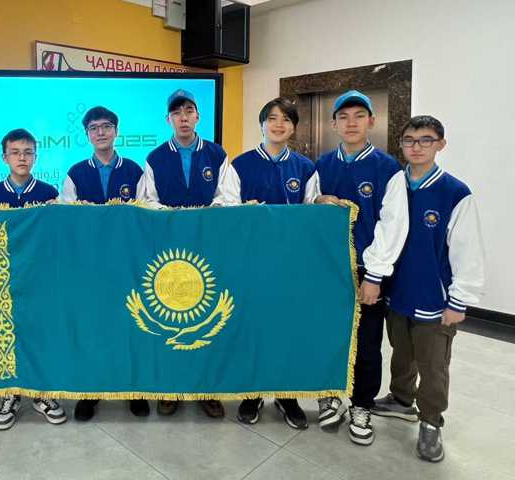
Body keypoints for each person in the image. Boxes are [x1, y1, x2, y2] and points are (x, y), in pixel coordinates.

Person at [371, 115, 484, 462]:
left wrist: (459, 300)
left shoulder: (454, 193)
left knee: (433, 364)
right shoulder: (396, 184)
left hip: (434, 298)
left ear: (440, 144)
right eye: (409, 140)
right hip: (398, 292)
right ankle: (402, 399)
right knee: (401, 352)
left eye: (426, 140)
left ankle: (431, 420)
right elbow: (385, 234)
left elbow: (467, 251)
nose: (416, 147)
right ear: (401, 144)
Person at [214, 97, 319, 429]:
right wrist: (246, 214)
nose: (278, 124)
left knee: (287, 330)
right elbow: (227, 208)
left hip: (290, 266)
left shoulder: (305, 168)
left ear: (293, 127)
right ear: (261, 124)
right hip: (250, 263)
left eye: (286, 119)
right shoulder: (240, 165)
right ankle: (252, 393)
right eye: (272, 118)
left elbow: (312, 215)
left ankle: (287, 395)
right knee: (251, 329)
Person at [313, 90, 409, 445]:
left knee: (367, 341)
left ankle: (362, 404)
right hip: (327, 269)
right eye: (344, 116)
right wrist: (318, 199)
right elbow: (308, 211)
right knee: (327, 334)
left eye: (358, 116)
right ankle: (328, 394)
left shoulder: (388, 168)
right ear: (333, 124)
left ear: (371, 121)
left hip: (367, 271)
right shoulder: (322, 165)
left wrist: (374, 275)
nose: (351, 123)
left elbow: (392, 225)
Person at [0, 128, 67, 430]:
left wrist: (60, 216)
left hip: (40, 281)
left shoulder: (48, 193)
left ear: (36, 157)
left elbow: (59, 241)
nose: (22, 158)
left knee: (40, 336)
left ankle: (43, 394)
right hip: (2, 282)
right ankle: (10, 395)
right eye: (15, 152)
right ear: (4, 157)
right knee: (7, 337)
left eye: (28, 152)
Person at [137, 89, 229, 418]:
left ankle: (207, 389)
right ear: (168, 120)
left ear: (198, 116)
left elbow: (228, 196)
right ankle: (170, 387)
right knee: (170, 317)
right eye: (177, 113)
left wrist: (203, 218)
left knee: (208, 317)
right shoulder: (155, 158)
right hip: (169, 252)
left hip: (209, 249)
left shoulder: (217, 154)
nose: (183, 117)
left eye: (189, 111)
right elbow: (147, 200)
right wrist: (174, 218)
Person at [59, 106, 148, 420]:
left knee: (132, 326)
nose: (100, 132)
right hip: (90, 266)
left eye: (106, 126)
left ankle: (134, 390)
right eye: (94, 128)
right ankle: (90, 391)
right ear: (86, 134)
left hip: (128, 263)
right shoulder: (75, 173)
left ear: (116, 131)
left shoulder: (135, 171)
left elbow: (144, 217)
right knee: (91, 328)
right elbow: (68, 221)